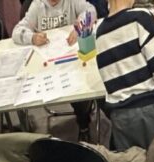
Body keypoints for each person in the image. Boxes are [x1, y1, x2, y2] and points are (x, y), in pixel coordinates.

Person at [13, 0, 98, 142]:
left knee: (81, 87)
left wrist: (80, 27)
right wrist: (32, 37)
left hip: (70, 60)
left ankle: (84, 125)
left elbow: (91, 10)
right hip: (46, 62)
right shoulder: (37, 5)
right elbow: (17, 31)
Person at [96, 0, 154, 150]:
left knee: (130, 160)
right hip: (148, 108)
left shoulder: (99, 33)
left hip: (119, 114)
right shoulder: (141, 17)